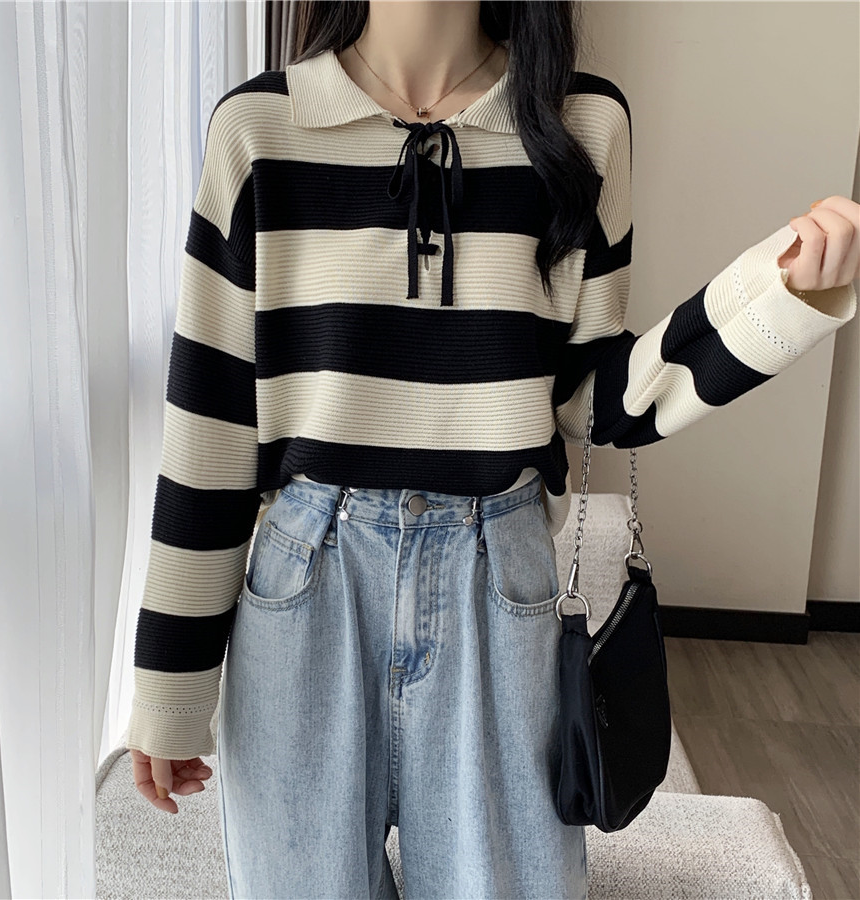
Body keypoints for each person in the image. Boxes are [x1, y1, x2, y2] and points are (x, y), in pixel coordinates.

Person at [126, 2, 859, 898]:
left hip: (496, 580)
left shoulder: (579, 124)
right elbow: (209, 426)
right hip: (305, 585)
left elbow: (591, 395)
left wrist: (770, 298)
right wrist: (169, 685)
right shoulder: (259, 128)